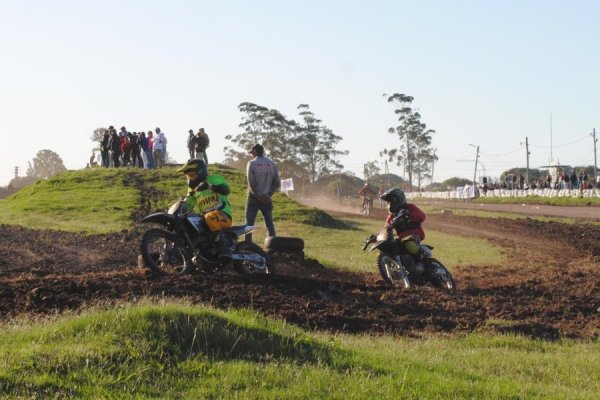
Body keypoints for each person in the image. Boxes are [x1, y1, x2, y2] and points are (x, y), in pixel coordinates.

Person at [176, 159, 234, 272]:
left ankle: (225, 249)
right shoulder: (192, 189)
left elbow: (226, 190)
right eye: (188, 175)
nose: (190, 178)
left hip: (223, 214)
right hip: (207, 218)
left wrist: (210, 186)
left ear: (201, 171)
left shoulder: (214, 178)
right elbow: (188, 204)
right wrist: (180, 211)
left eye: (192, 175)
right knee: (191, 227)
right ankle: (191, 262)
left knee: (209, 217)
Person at [380, 188, 427, 275]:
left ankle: (421, 260)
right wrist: (378, 236)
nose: (389, 204)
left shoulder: (410, 207)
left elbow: (422, 216)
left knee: (410, 244)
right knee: (389, 247)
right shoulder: (392, 216)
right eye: (388, 203)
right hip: (401, 238)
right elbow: (386, 227)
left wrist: (409, 215)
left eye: (391, 202)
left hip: (414, 234)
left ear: (398, 200)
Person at [244, 143, 280, 242]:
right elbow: (277, 183)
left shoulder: (251, 163)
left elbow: (251, 183)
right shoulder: (272, 164)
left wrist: (258, 196)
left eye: (252, 152)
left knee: (249, 225)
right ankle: (273, 246)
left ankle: (248, 247)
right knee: (269, 224)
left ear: (255, 151)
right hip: (267, 198)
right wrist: (268, 195)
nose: (251, 154)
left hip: (253, 198)